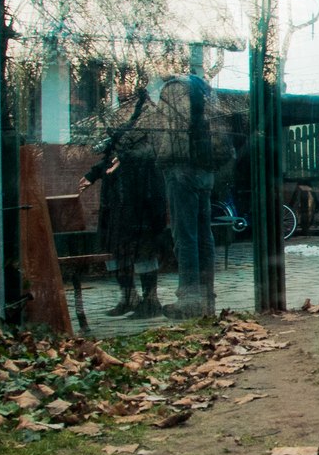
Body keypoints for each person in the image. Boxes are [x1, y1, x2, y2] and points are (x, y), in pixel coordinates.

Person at [77, 89, 168, 318]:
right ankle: (128, 298)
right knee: (117, 248)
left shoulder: (150, 114)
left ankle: (150, 301)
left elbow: (150, 151)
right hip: (118, 199)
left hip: (141, 197)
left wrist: (124, 159)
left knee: (143, 249)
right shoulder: (123, 115)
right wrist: (94, 173)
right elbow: (113, 154)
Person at [150, 72, 229, 319]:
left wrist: (160, 159)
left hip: (182, 167)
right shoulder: (204, 88)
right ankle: (207, 296)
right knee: (204, 235)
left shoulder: (172, 89)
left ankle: (189, 301)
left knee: (185, 236)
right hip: (206, 169)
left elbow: (166, 130)